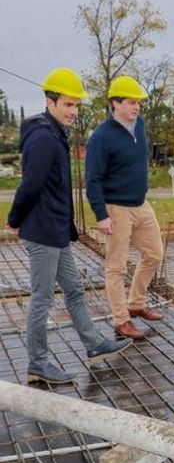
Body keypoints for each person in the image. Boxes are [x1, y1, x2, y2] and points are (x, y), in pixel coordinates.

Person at [6, 67, 132, 384]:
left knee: (74, 289)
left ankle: (93, 344)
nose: (73, 111)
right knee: (42, 298)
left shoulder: (55, 133)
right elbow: (30, 186)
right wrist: (14, 219)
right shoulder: (43, 139)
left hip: (57, 230)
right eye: (67, 105)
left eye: (76, 105)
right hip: (43, 232)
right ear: (50, 102)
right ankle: (37, 364)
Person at [86, 75, 163, 340]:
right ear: (115, 104)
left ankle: (136, 303)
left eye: (139, 102)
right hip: (116, 209)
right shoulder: (101, 138)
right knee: (116, 267)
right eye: (131, 102)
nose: (137, 107)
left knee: (154, 254)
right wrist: (101, 215)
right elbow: (93, 180)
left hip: (141, 205)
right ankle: (122, 320)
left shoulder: (139, 125)